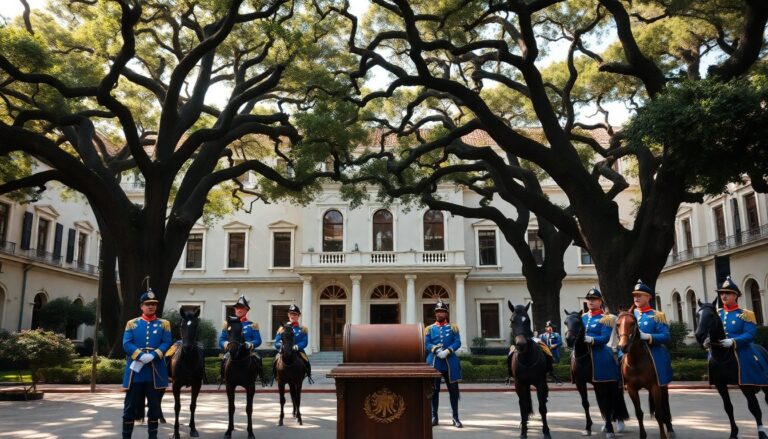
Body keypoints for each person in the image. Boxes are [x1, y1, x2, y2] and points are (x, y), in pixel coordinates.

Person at [121, 289, 172, 439]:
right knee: (129, 407)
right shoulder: (132, 324)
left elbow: (167, 342)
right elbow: (126, 343)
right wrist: (141, 355)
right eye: (148, 304)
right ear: (141, 306)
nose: (151, 307)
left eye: (153, 304)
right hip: (135, 373)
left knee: (154, 407)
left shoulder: (164, 324)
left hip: (155, 372)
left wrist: (154, 355)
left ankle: (152, 437)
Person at [712, 276, 768, 386]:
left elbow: (750, 334)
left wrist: (734, 341)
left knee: (749, 359)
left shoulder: (746, 314)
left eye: (727, 293)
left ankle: (754, 380)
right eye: (722, 293)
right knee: (712, 358)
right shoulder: (717, 313)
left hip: (740, 348)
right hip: (721, 349)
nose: (723, 295)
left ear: (735, 295)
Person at [425, 299, 463, 428]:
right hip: (434, 363)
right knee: (434, 391)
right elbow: (427, 343)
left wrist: (448, 350)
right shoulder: (429, 329)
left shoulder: (453, 328)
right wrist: (435, 349)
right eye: (437, 312)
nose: (439, 314)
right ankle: (434, 416)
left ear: (446, 314)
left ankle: (455, 417)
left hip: (450, 363)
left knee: (453, 391)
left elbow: (458, 342)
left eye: (441, 312)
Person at [631, 280, 673, 386]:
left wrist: (648, 336)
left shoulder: (657, 315)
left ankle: (661, 381)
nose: (636, 298)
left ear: (648, 297)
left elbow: (666, 336)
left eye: (640, 295)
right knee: (620, 358)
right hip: (631, 349)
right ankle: (621, 381)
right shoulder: (629, 315)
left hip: (651, 349)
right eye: (635, 296)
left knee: (660, 359)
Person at [582, 288, 621, 383]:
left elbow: (605, 338)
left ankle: (612, 379)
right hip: (583, 348)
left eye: (594, 299)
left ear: (600, 301)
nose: (590, 301)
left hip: (599, 348)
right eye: (589, 299)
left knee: (608, 358)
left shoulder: (606, 318)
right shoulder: (583, 317)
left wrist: (590, 339)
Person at [218, 295, 262, 380]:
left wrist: (250, 344)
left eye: (242, 308)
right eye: (237, 308)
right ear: (235, 309)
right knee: (224, 359)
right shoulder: (227, 324)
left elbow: (258, 340)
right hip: (232, 351)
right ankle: (223, 376)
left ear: (246, 310)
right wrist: (226, 344)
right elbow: (221, 340)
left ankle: (261, 376)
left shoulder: (252, 325)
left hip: (248, 351)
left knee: (258, 358)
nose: (239, 310)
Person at [273, 304, 311, 382]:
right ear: (288, 315)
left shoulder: (302, 329)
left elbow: (304, 341)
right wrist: (282, 346)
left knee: (306, 361)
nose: (292, 316)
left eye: (295, 314)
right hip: (284, 352)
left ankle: (308, 374)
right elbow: (276, 342)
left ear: (299, 316)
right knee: (275, 361)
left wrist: (297, 346)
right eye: (291, 314)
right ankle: (274, 375)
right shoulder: (282, 329)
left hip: (298, 351)